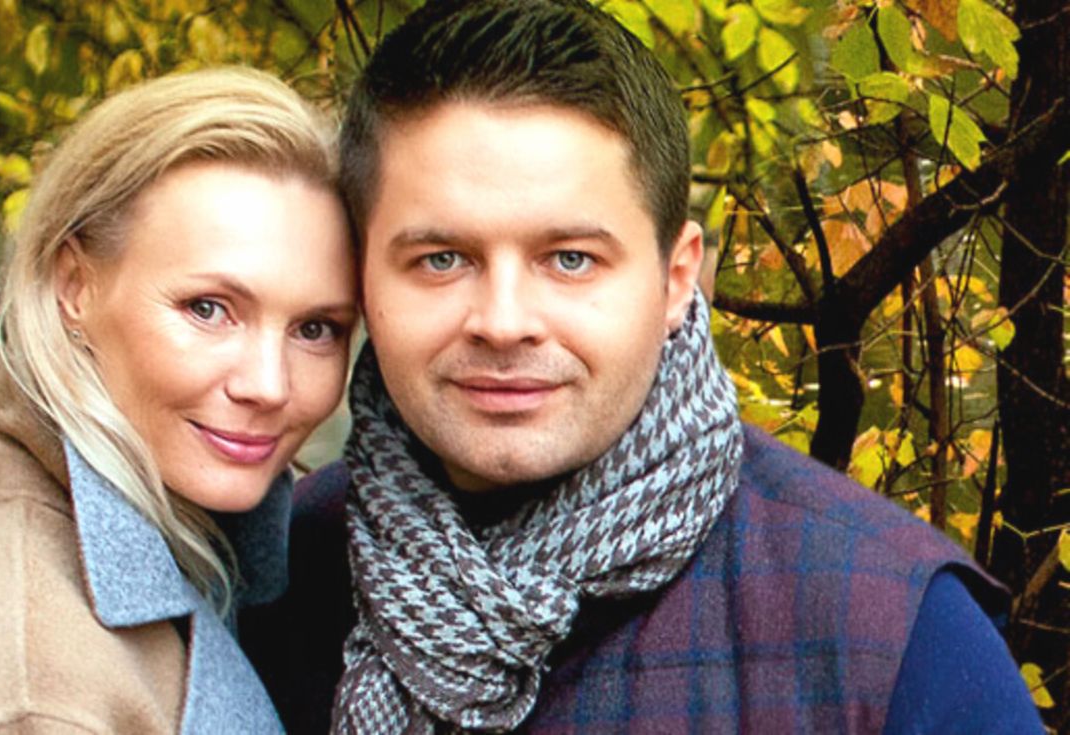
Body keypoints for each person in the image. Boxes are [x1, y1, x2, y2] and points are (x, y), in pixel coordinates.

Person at [240, 1, 1043, 732]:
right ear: (361, 277)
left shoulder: (887, 632)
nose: (504, 322)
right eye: (441, 258)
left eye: (571, 258)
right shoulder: (278, 579)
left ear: (676, 278)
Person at [0, 67, 355, 733]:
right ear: (75, 286)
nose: (269, 384)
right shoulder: (38, 697)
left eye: (315, 328)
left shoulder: (176, 550)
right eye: (208, 308)